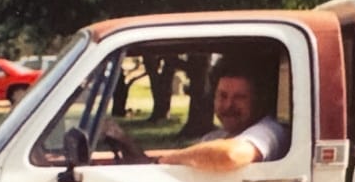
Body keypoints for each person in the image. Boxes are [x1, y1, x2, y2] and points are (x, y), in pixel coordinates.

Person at [100, 57, 288, 171]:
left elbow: (231, 155)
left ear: (258, 101)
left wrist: (161, 162)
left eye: (240, 97)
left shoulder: (269, 130)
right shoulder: (214, 137)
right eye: (222, 96)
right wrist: (128, 145)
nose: (228, 105)